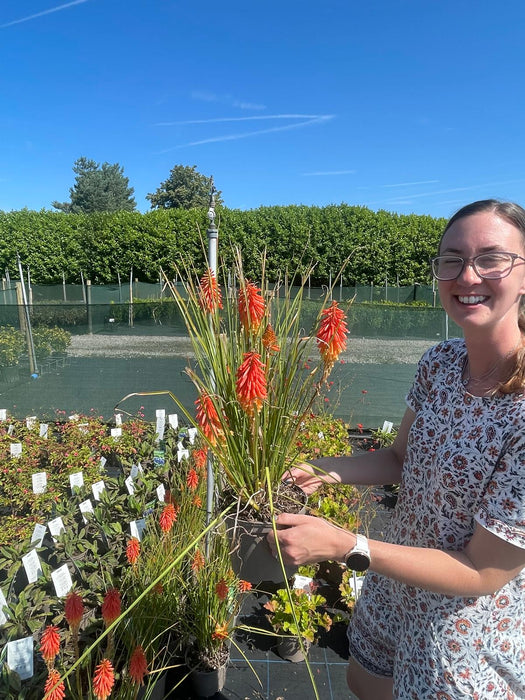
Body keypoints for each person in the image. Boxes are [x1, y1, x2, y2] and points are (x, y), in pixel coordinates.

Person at [267, 200, 525, 699]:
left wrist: (346, 546)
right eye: (451, 259)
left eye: (491, 258)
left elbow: (485, 569)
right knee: (362, 682)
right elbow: (398, 460)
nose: (467, 275)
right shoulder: (441, 362)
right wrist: (322, 470)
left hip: (459, 628)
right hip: (393, 586)